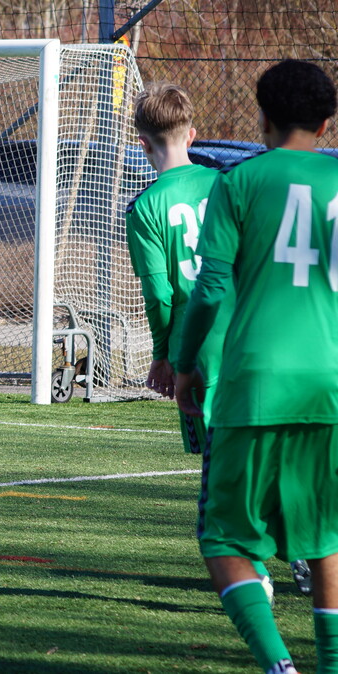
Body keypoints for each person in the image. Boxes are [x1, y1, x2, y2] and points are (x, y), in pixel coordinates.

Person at [174, 59, 338, 674]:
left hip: (256, 382)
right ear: (326, 123)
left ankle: (279, 666)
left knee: (223, 538)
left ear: (262, 119)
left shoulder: (239, 181)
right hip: (330, 386)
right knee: (324, 535)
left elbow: (210, 289)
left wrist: (185, 364)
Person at [125, 82, 280, 601]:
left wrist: (164, 355)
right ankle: (298, 544)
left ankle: (253, 567)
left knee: (223, 464)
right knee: (261, 444)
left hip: (202, 346)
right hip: (255, 330)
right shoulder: (226, 183)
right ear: (192, 134)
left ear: (142, 143)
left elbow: (160, 293)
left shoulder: (146, 207)